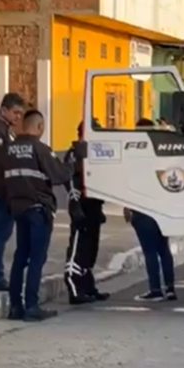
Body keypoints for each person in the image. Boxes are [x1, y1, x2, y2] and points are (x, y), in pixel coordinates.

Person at [2, 110, 74, 322]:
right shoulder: (40, 149)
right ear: (40, 127)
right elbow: (60, 175)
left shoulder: (9, 149)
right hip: (38, 209)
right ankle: (32, 306)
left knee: (20, 256)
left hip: (18, 208)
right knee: (36, 258)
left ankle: (16, 306)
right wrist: (72, 162)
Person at [126, 117, 177, 302]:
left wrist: (128, 206)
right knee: (164, 249)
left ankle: (155, 289)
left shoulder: (134, 155)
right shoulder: (161, 153)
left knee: (150, 251)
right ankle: (170, 288)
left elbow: (129, 183)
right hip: (161, 207)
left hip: (142, 208)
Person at [64, 121, 110, 305]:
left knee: (91, 248)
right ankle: (74, 287)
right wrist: (75, 204)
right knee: (78, 246)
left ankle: (88, 286)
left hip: (94, 205)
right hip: (81, 204)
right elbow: (70, 179)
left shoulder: (97, 151)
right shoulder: (75, 152)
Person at [0, 92, 26, 292]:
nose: (18, 117)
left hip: (3, 190)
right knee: (0, 232)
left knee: (3, 232)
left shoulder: (6, 130)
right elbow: (1, 164)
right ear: (4, 110)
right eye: (15, 112)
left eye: (20, 114)